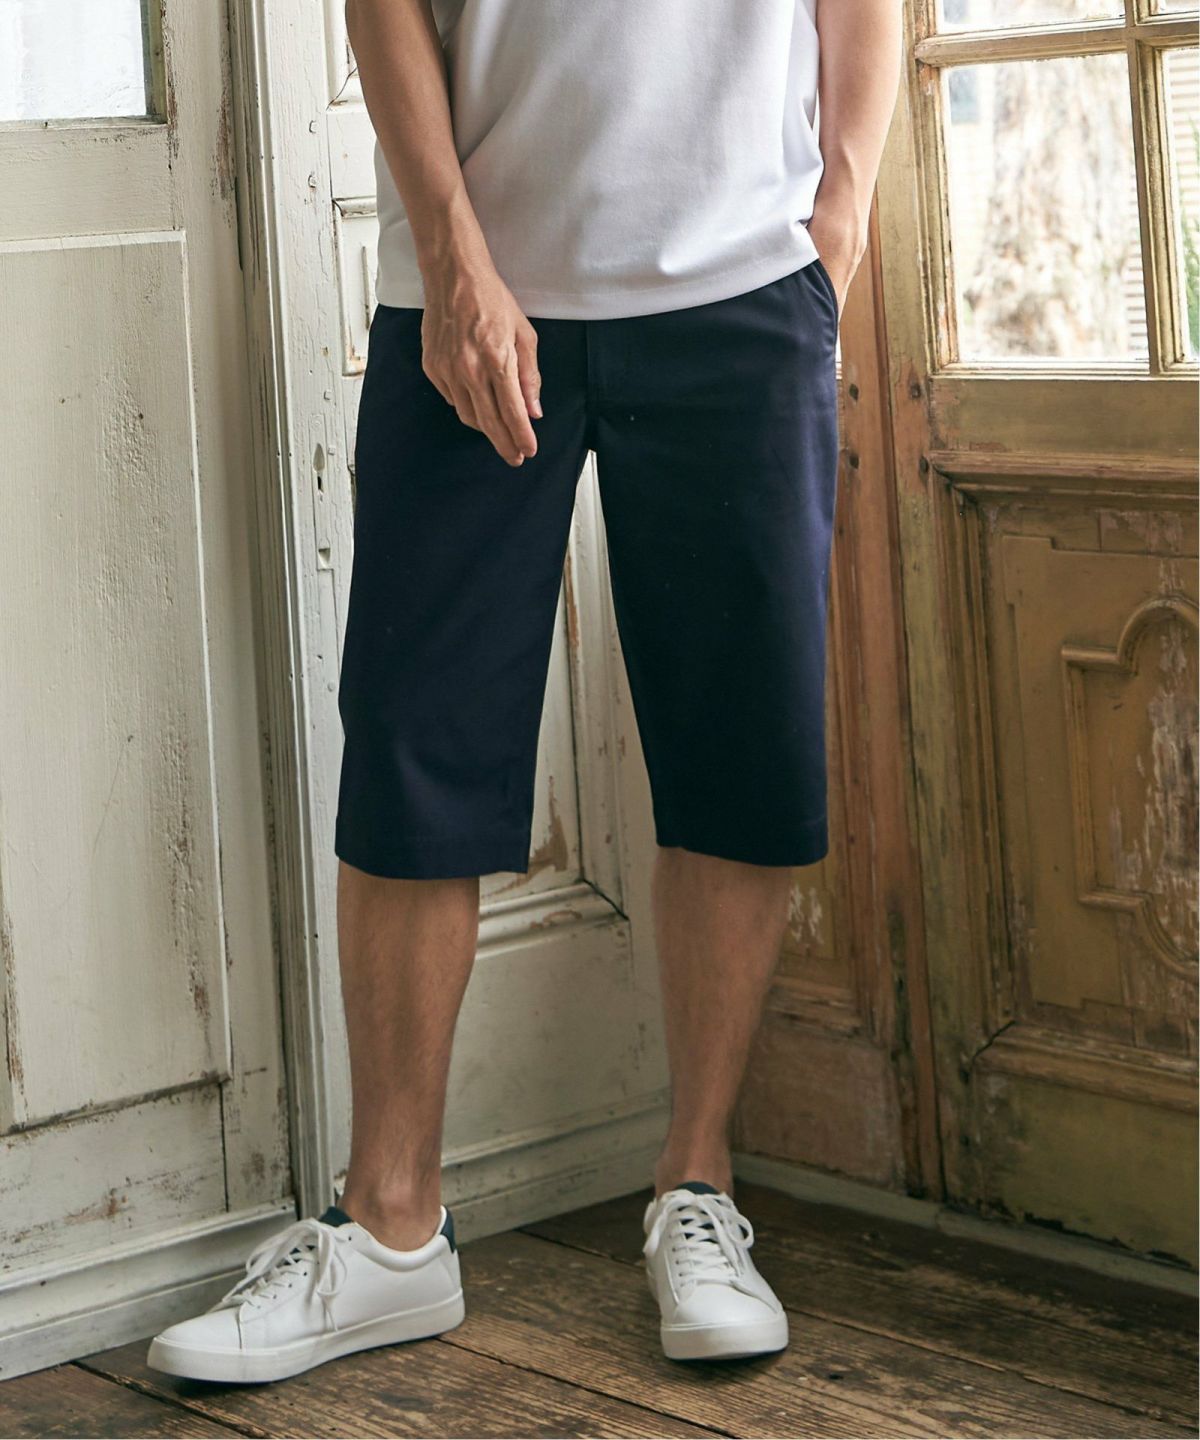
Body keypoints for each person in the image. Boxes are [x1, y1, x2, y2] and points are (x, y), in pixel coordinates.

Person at [147, 0, 902, 1384]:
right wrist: (450, 258)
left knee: (742, 749)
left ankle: (696, 1187)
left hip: (742, 284)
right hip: (468, 296)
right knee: (415, 743)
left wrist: (834, 229)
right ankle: (389, 1232)